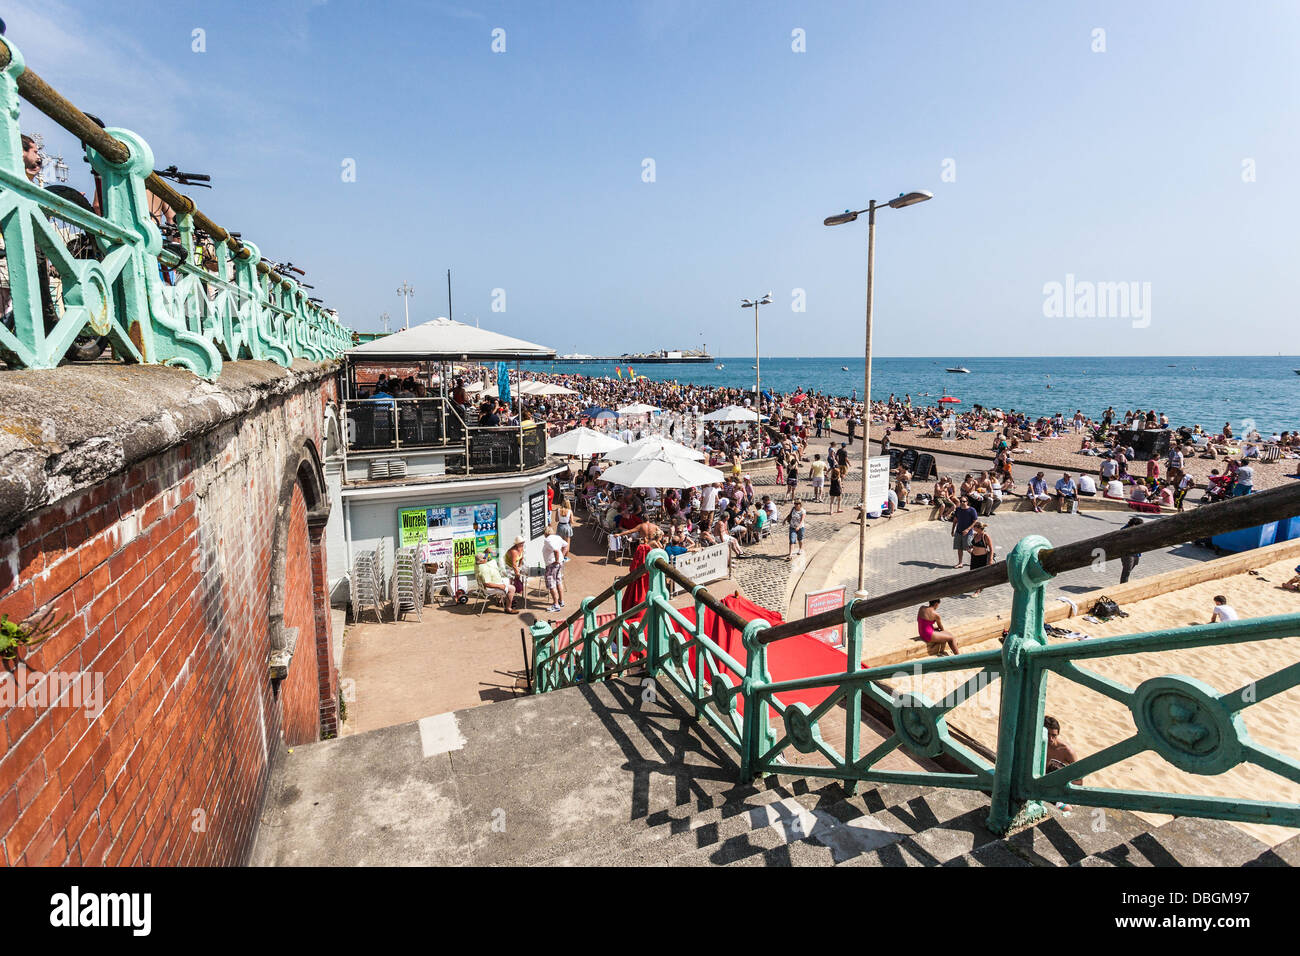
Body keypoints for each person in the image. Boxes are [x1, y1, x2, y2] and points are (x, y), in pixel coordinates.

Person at [542, 525, 569, 612]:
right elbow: (566, 545)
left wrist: (557, 560)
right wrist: (562, 556)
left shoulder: (547, 540)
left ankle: (556, 605)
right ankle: (561, 601)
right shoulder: (557, 537)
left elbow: (556, 550)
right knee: (558, 581)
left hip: (552, 564)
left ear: (545, 533)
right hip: (559, 563)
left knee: (551, 584)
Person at [951, 496, 979, 568]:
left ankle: (978, 559)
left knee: (968, 548)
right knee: (959, 548)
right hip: (958, 532)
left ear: (967, 502)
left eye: (964, 501)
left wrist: (968, 529)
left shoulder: (972, 510)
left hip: (968, 533)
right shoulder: (958, 509)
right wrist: (952, 530)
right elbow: (955, 520)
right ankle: (960, 563)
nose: (962, 503)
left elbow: (975, 521)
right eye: (961, 501)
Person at [1118, 516, 1143, 583]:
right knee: (1127, 570)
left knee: (1134, 564)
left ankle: (1125, 578)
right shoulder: (1124, 530)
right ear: (1133, 525)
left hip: (1136, 553)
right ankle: (1123, 584)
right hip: (1127, 553)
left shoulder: (1136, 529)